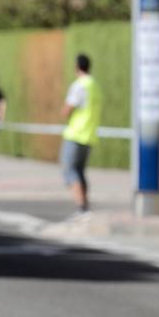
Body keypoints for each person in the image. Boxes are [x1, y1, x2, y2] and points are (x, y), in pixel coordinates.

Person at [59, 54, 100, 217]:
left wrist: (64, 113)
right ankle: (85, 204)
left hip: (76, 134)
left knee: (70, 170)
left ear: (77, 67)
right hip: (89, 135)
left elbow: (68, 108)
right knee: (81, 171)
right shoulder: (94, 85)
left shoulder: (80, 85)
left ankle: (81, 206)